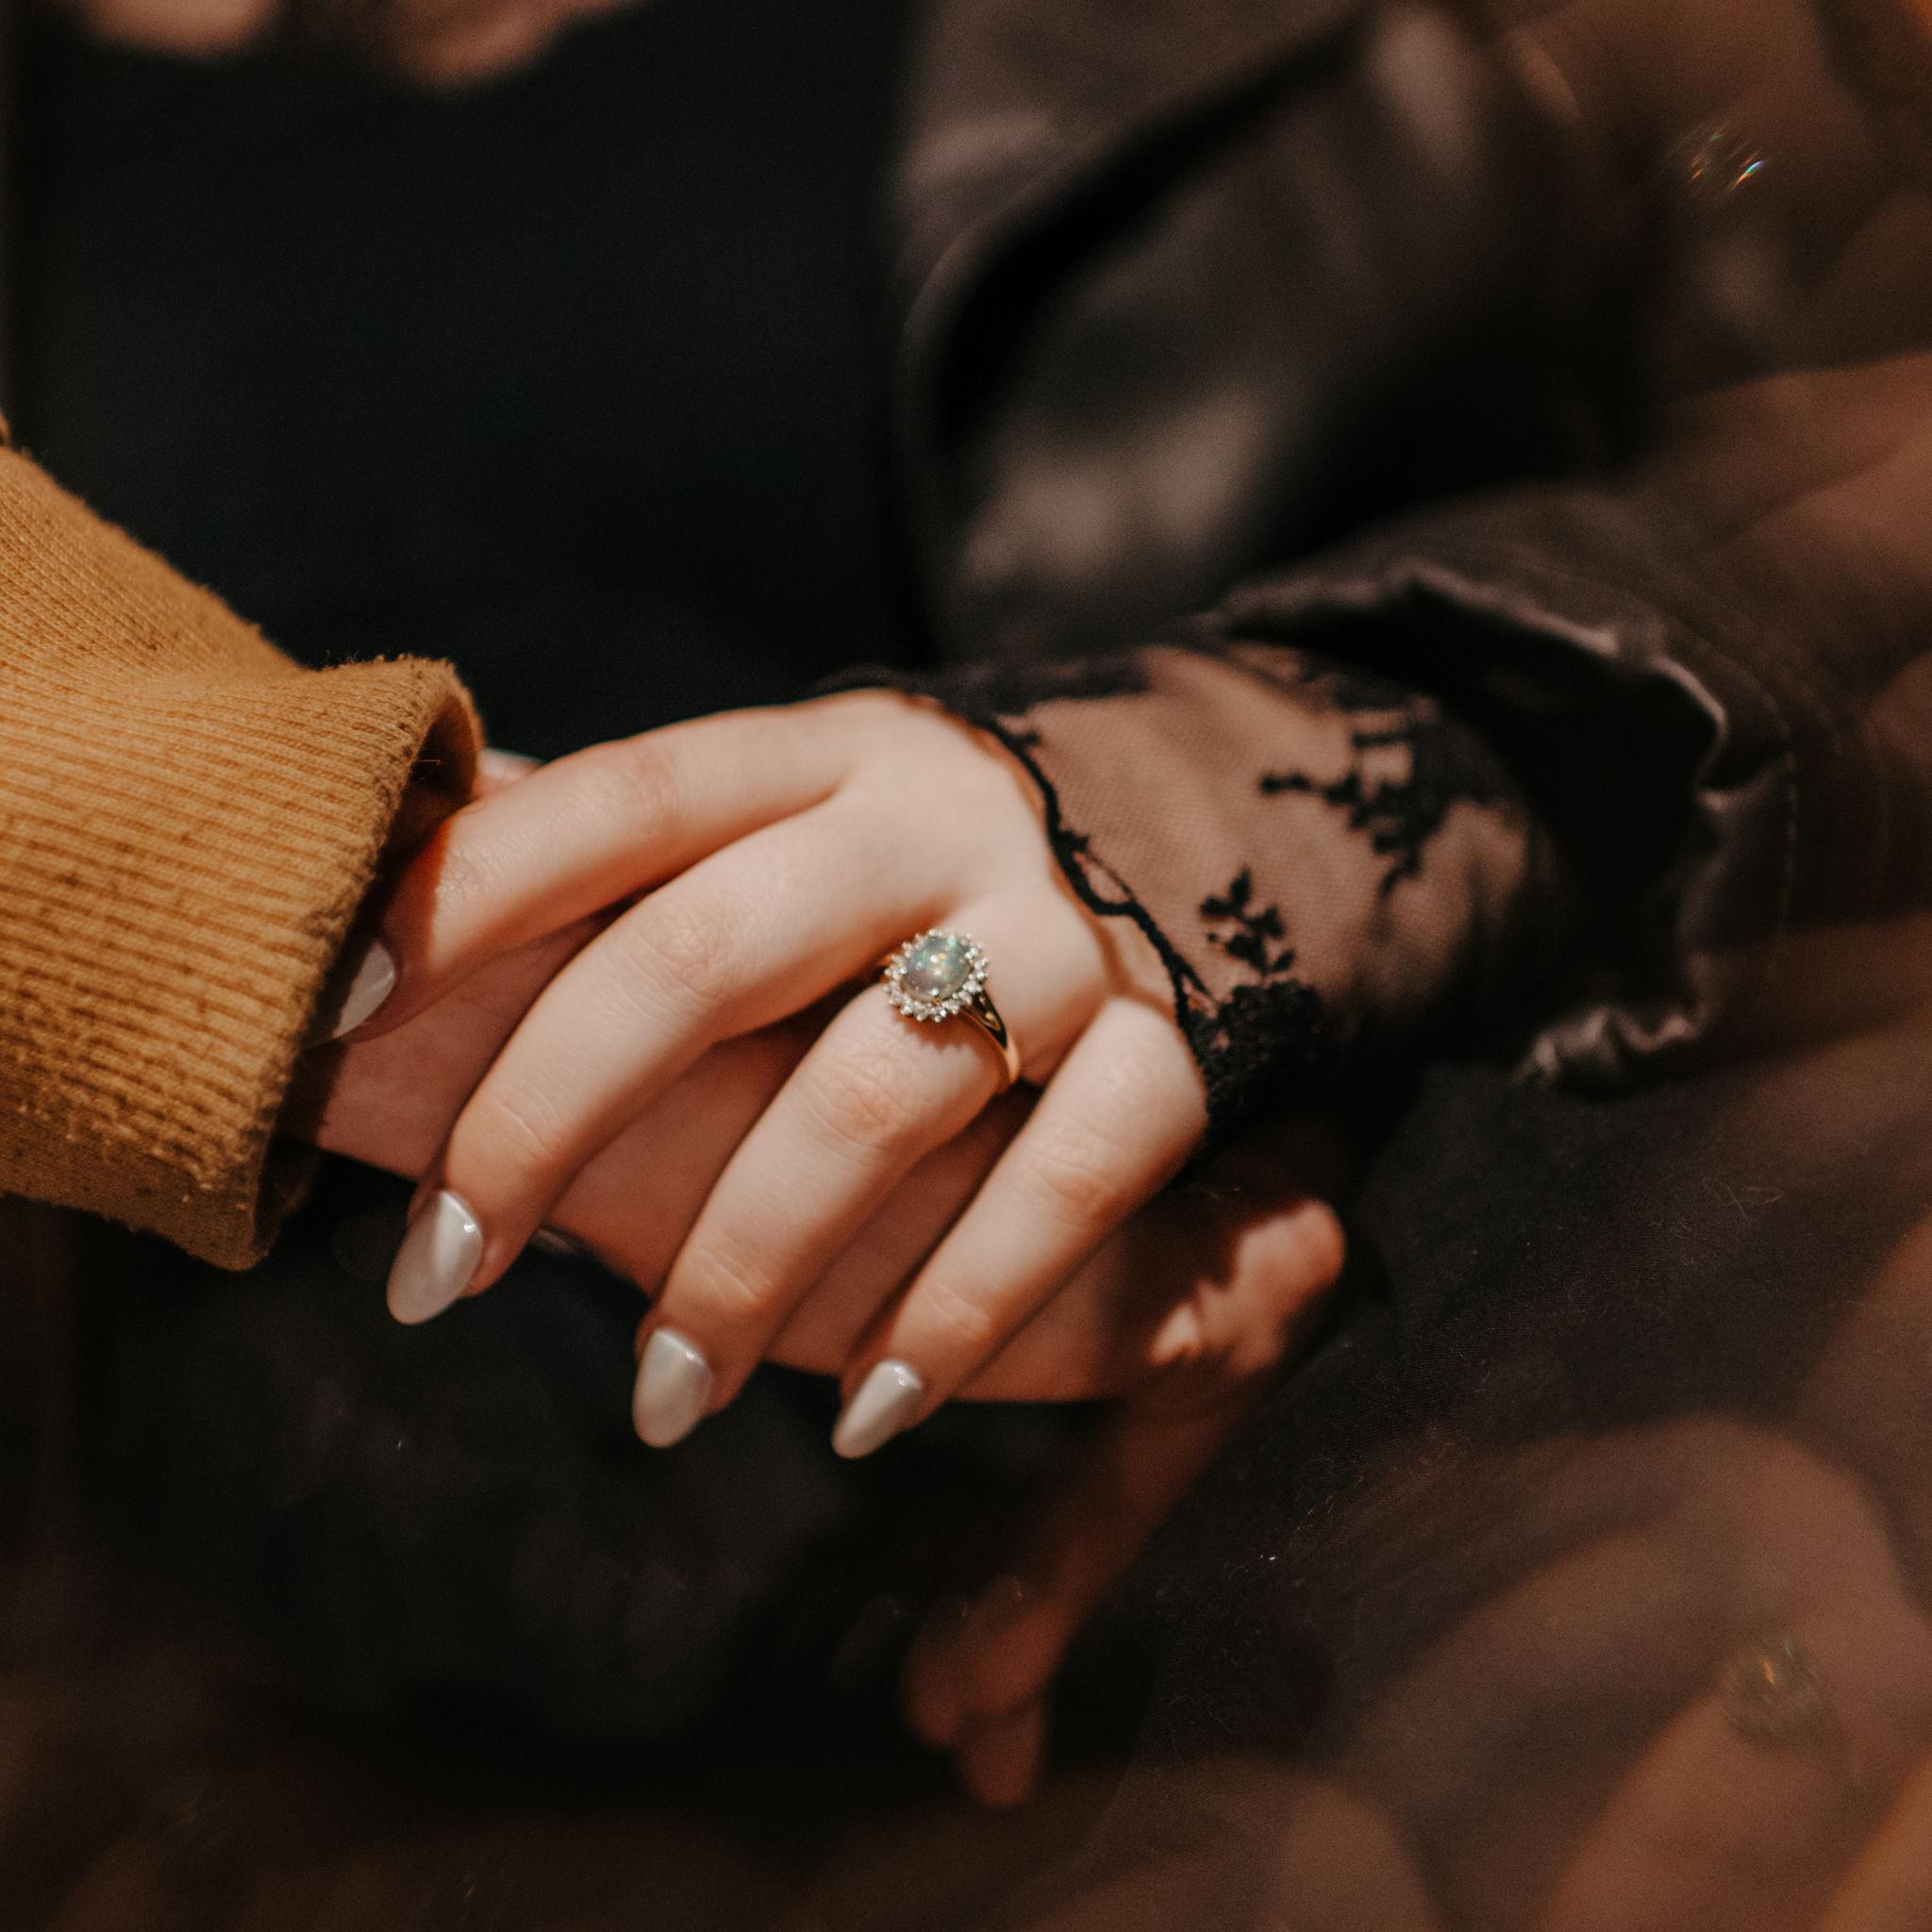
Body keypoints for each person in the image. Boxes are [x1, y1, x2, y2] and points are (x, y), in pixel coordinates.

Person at [6, 0, 1932, 1834]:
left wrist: (1217, 794)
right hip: (304, 1746)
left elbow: (1855, 491)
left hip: (1276, 1526)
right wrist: (315, 940)